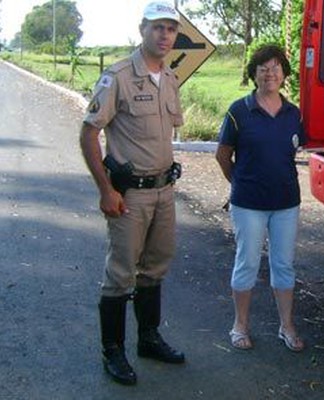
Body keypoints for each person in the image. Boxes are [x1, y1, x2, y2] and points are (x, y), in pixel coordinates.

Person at [79, 1, 185, 386]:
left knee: (156, 268)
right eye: (158, 27)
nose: (164, 35)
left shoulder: (170, 78)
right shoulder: (119, 76)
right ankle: (113, 351)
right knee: (121, 274)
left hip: (164, 191)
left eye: (171, 29)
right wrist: (105, 190)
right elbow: (89, 132)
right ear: (143, 29)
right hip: (130, 196)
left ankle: (148, 338)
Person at [216, 44, 306, 352]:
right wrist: (240, 183)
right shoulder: (238, 110)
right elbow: (223, 154)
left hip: (286, 204)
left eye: (275, 68)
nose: (270, 73)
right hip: (248, 204)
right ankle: (239, 325)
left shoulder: (294, 114)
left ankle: (287, 326)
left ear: (284, 73)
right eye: (263, 68)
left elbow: (294, 152)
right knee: (247, 263)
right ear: (254, 74)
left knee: (284, 265)